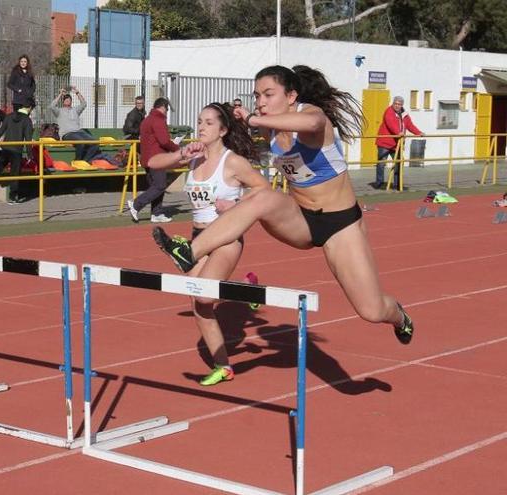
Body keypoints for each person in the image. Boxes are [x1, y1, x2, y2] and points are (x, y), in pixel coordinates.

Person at [151, 65, 415, 346]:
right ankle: (187, 252)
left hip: (340, 225)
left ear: (291, 96)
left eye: (268, 95)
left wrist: (253, 119)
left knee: (371, 311)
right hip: (300, 221)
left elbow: (312, 125)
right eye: (257, 96)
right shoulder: (272, 130)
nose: (260, 102)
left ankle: (400, 317)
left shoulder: (312, 115)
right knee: (261, 196)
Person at [147, 102, 269, 385]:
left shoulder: (233, 162)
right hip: (198, 236)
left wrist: (237, 203)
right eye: (199, 121)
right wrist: (180, 153)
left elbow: (265, 190)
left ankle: (244, 290)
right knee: (198, 301)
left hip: (226, 238)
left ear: (223, 130)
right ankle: (223, 365)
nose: (201, 127)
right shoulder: (194, 156)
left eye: (208, 123)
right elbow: (153, 162)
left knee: (205, 296)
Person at [126, 97, 178, 224]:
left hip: (147, 158)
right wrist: (177, 148)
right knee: (160, 185)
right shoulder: (158, 120)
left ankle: (157, 213)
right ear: (162, 107)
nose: (167, 112)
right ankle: (136, 204)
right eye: (167, 109)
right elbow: (164, 140)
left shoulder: (147, 119)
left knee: (156, 186)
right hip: (157, 158)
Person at [374, 96, 423, 190]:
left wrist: (418, 132)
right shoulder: (388, 111)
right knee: (381, 163)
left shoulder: (404, 114)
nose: (397, 106)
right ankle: (379, 183)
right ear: (393, 103)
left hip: (397, 144)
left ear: (402, 105)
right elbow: (390, 123)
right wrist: (398, 133)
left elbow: (410, 125)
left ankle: (398, 184)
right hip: (385, 142)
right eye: (395, 103)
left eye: (399, 104)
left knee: (399, 163)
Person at [0, 105, 33, 204]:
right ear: (29, 108)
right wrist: (29, 154)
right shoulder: (27, 120)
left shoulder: (9, 116)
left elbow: (1, 130)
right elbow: (28, 139)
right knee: (15, 174)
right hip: (17, 150)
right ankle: (13, 196)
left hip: (5, 148)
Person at [50, 86, 101, 162]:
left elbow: (84, 104)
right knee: (81, 142)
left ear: (71, 101)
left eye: (69, 99)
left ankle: (85, 161)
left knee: (95, 143)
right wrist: (60, 94)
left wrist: (77, 92)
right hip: (67, 134)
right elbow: (52, 106)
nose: (67, 100)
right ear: (63, 102)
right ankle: (77, 161)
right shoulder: (59, 111)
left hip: (79, 132)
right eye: (65, 99)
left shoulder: (75, 110)